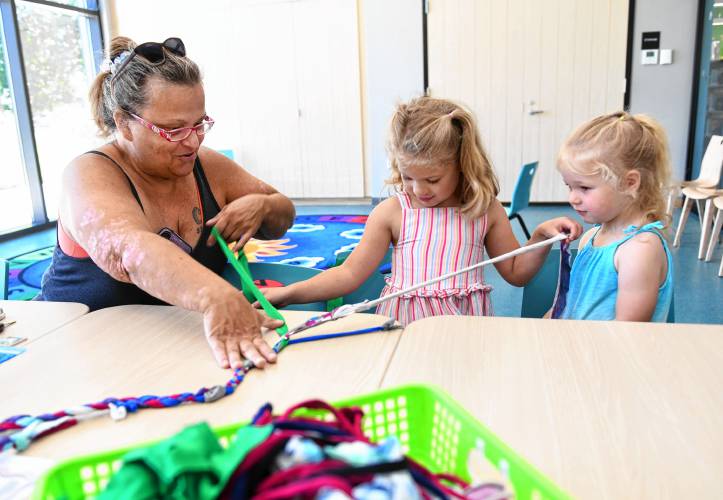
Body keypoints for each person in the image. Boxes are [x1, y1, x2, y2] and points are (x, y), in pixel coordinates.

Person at [35, 36, 296, 368]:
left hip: (165, 350)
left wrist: (264, 206)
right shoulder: (87, 174)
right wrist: (215, 296)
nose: (192, 141)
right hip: (75, 355)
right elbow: (129, 252)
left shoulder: (206, 164)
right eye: (172, 130)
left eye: (199, 124)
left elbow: (283, 210)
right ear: (124, 124)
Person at [261, 97, 581, 325]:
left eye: (432, 179)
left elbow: (516, 273)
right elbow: (348, 274)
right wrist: (286, 295)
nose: (418, 189)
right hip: (404, 328)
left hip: (464, 330)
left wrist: (540, 236)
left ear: (462, 165)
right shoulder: (392, 212)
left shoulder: (484, 210)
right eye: (408, 176)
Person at [555, 111, 673, 321]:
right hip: (579, 346)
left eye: (584, 187)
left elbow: (627, 331)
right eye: (569, 186)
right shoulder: (591, 237)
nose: (573, 198)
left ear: (629, 183)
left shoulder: (639, 249)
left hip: (611, 352)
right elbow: (570, 307)